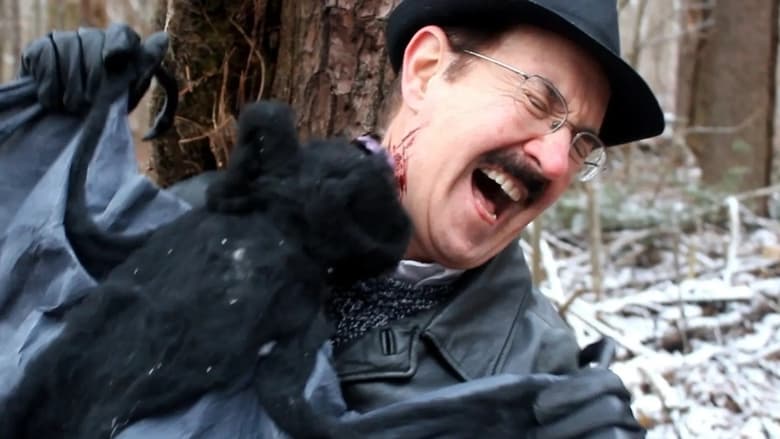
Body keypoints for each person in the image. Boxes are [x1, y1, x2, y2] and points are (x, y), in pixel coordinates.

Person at [12, 0, 664, 436]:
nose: (556, 160)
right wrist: (62, 130)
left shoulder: (538, 388)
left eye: (582, 144)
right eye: (540, 99)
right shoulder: (218, 213)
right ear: (427, 71)